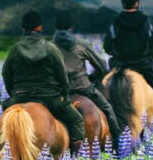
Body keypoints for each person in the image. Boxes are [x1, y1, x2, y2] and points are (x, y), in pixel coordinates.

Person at [1, 10, 85, 155]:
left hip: (20, 96)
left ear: (23, 28)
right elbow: (62, 76)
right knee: (76, 120)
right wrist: (64, 95)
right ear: (40, 27)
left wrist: (13, 94)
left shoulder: (15, 49)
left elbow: (6, 74)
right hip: (49, 97)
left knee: (4, 119)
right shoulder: (50, 48)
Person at [52, 11, 122, 146]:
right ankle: (118, 143)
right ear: (71, 27)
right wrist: (91, 77)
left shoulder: (49, 47)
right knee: (107, 109)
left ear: (56, 27)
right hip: (83, 87)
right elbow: (102, 66)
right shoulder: (81, 44)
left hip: (58, 92)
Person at [102, 0, 153, 116]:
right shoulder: (147, 21)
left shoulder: (115, 22)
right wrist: (149, 56)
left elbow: (107, 47)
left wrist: (118, 53)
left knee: (100, 92)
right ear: (136, 3)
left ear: (123, 4)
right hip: (143, 66)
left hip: (119, 66)